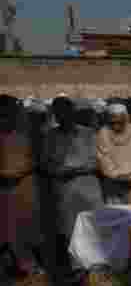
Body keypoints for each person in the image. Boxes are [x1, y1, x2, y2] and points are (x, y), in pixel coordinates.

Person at [44, 97, 104, 260]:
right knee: (70, 230)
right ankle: (77, 266)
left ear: (72, 112)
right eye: (58, 113)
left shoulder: (88, 133)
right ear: (55, 115)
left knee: (94, 226)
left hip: (88, 188)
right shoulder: (50, 136)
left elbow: (98, 162)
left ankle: (98, 264)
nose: (62, 116)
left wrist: (76, 169)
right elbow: (45, 164)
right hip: (64, 189)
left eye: (65, 111)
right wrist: (59, 171)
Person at [0, 95, 42, 276]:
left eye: (8, 112)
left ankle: (27, 264)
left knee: (25, 227)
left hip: (24, 187)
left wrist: (21, 172)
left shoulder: (27, 134)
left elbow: (37, 159)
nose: (5, 117)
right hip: (3, 188)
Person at [96, 103, 131, 204]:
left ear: (127, 119)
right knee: (117, 217)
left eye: (120, 122)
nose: (116, 125)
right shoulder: (103, 133)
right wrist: (117, 176)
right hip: (114, 187)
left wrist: (129, 176)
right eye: (113, 122)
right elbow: (103, 160)